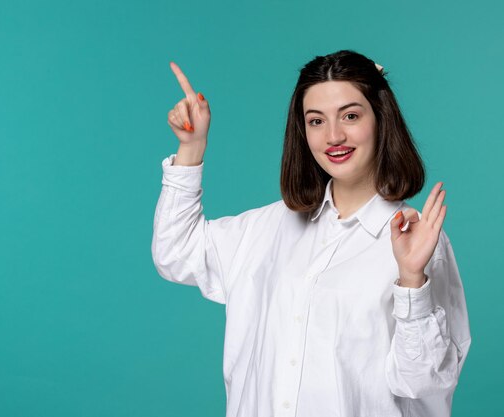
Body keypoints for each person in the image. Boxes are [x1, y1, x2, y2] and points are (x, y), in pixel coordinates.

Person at [151, 50, 470, 417]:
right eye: (316, 121)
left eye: (350, 115)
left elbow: (424, 385)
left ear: (381, 120)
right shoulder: (265, 228)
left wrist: (413, 281)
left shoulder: (417, 241)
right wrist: (191, 147)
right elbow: (175, 253)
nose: (334, 135)